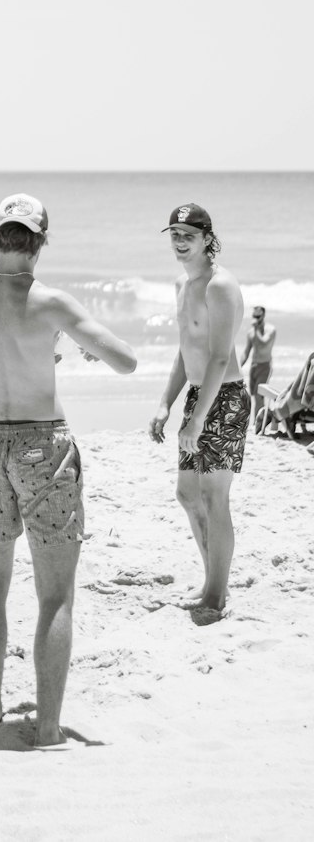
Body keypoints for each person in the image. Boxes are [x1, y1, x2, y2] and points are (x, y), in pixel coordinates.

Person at [0, 194, 137, 747]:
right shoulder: (53, 302)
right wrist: (74, 341)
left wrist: (50, 348)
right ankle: (48, 728)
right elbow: (126, 360)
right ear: (40, 240)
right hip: (42, 445)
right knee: (55, 593)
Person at [149, 203, 248, 625]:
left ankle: (216, 594)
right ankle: (212, 580)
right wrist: (165, 403)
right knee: (187, 495)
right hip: (198, 396)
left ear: (207, 238)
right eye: (173, 234)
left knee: (213, 497)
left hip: (223, 399)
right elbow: (186, 349)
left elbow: (220, 355)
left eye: (187, 234)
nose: (179, 242)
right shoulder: (181, 285)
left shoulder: (219, 286)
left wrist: (197, 419)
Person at [240, 305, 277, 423]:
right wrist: (238, 367)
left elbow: (263, 343)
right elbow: (246, 352)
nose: (256, 318)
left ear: (263, 316)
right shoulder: (251, 332)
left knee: (259, 395)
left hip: (265, 365)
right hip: (254, 366)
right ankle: (257, 421)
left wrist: (256, 330)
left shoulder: (270, 330)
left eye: (258, 316)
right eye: (254, 316)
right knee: (254, 396)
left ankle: (258, 422)